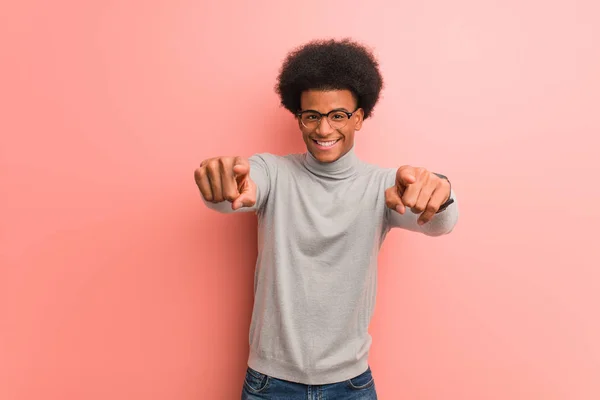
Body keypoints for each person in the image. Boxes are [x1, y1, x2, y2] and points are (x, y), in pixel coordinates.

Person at [194, 38, 459, 400]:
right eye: (312, 116)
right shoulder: (273, 172)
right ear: (299, 117)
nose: (323, 130)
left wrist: (440, 192)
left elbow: (442, 223)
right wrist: (223, 186)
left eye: (338, 115)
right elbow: (237, 193)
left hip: (350, 384)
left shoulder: (384, 186)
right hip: (269, 383)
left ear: (359, 117)